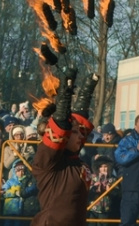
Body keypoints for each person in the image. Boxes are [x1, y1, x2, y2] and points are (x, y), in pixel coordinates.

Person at [31, 70, 99, 225]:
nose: (82, 136)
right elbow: (59, 128)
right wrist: (65, 95)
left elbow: (80, 123)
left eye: (82, 133)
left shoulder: (77, 162)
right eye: (75, 132)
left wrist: (86, 92)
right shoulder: (48, 163)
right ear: (66, 136)